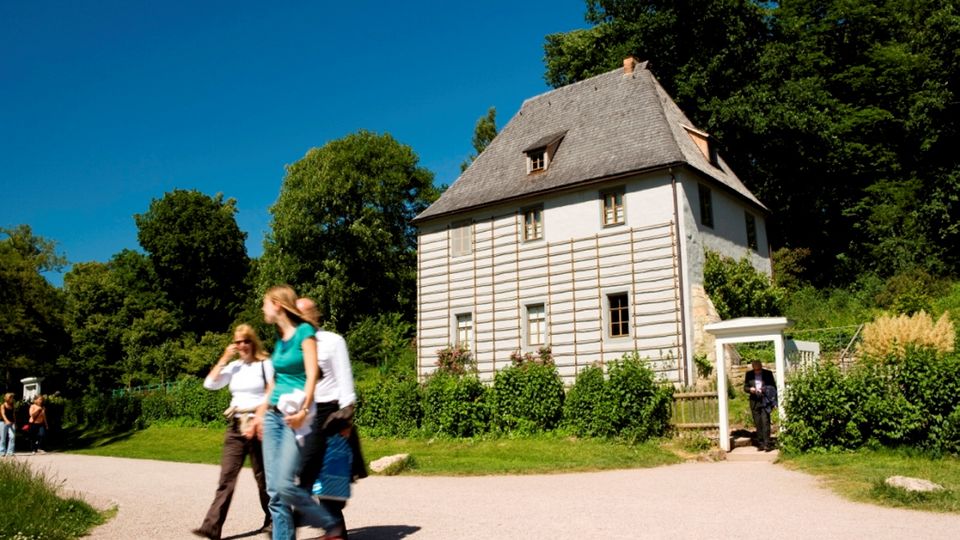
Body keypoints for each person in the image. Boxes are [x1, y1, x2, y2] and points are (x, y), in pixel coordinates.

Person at [253, 285, 344, 540]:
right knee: (274, 492)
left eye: (265, 304)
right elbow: (274, 380)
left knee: (284, 485)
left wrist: (305, 409)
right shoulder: (280, 339)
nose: (263, 309)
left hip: (295, 418)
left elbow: (313, 374)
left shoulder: (305, 332)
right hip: (272, 415)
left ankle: (328, 523)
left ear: (277, 305)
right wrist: (260, 413)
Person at [192, 324, 274, 540]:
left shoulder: (265, 364)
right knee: (226, 477)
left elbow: (271, 391)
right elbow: (210, 384)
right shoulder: (234, 367)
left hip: (258, 423)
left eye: (246, 341)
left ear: (253, 342)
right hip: (236, 425)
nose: (242, 345)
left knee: (263, 477)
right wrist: (224, 358)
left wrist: (260, 418)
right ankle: (212, 527)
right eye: (238, 342)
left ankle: (273, 519)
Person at [295, 298, 367, 536]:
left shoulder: (333, 341)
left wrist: (346, 419)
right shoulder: (294, 346)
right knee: (306, 479)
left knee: (329, 483)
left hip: (330, 415)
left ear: (315, 316)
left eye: (304, 313)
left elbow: (346, 383)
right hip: (303, 417)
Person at [743, 360, 777, 451]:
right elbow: (745, 388)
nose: (757, 371)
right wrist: (750, 389)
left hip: (765, 400)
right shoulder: (749, 374)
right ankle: (761, 443)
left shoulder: (768, 373)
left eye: (759, 369)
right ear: (753, 367)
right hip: (754, 401)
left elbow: (773, 387)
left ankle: (767, 444)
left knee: (765, 421)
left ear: (761, 366)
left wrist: (773, 401)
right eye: (755, 369)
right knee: (758, 423)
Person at [1, 393, 16, 457]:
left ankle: (10, 452)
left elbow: (13, 414)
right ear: (7, 398)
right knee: (3, 437)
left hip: (12, 423)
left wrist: (15, 422)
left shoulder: (12, 405)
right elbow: (3, 414)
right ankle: (2, 452)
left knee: (12, 436)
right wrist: (6, 420)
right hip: (3, 423)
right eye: (11, 398)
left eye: (12, 398)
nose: (12, 399)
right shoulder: (3, 405)